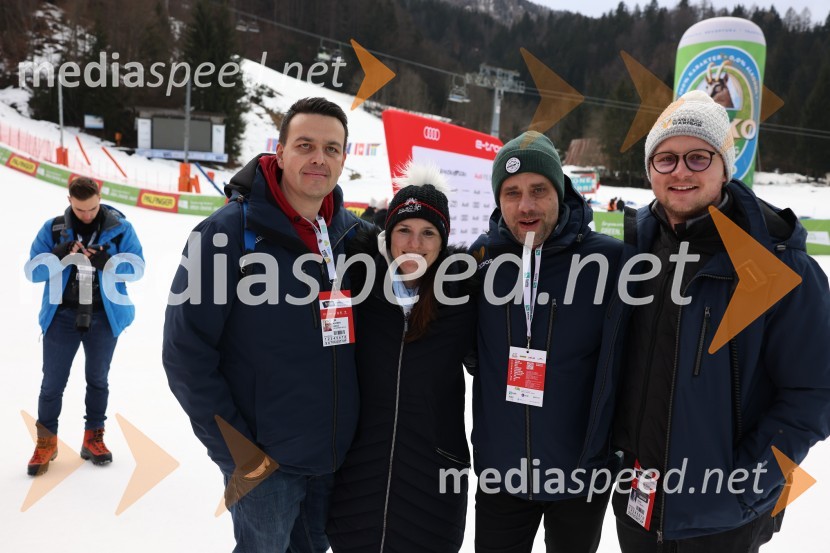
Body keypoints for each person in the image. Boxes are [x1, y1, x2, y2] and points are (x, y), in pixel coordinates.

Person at [612, 90, 830, 551]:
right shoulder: (636, 255)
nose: (681, 171)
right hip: (637, 506)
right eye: (665, 159)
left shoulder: (783, 268)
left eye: (698, 156)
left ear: (725, 167)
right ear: (650, 171)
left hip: (722, 521)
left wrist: (746, 488)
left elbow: (813, 394)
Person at [162, 97, 370, 553]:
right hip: (263, 466)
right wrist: (239, 454)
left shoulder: (352, 236)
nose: (319, 158)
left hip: (332, 459)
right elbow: (184, 353)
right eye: (306, 144)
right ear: (279, 152)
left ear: (344, 159)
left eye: (332, 148)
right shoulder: (225, 234)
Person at [470, 131, 624, 552]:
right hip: (502, 474)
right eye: (512, 192)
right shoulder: (481, 261)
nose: (526, 206)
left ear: (560, 191)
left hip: (579, 477)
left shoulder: (610, 262)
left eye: (539, 190)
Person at [327, 162, 477, 553]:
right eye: (404, 230)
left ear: (443, 242)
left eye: (428, 233)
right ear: (388, 234)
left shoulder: (463, 298)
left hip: (433, 478)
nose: (415, 244)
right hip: (359, 473)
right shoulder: (356, 288)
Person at [25, 176, 144, 475]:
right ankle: (46, 443)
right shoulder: (53, 229)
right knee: (52, 384)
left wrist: (107, 260)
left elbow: (138, 268)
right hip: (61, 316)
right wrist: (61, 253)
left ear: (100, 198)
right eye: (80, 210)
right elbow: (32, 271)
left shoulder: (121, 229)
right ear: (69, 202)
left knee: (98, 380)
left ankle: (94, 437)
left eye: (92, 208)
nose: (87, 215)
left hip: (104, 317)